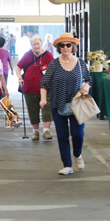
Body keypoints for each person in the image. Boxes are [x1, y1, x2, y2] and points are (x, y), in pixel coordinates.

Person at [40, 33, 91, 175]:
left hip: (77, 104)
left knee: (78, 134)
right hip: (58, 103)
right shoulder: (54, 64)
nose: (65, 48)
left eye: (68, 45)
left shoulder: (81, 63)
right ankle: (67, 165)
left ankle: (77, 153)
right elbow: (44, 83)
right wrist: (43, 98)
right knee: (62, 135)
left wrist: (86, 86)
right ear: (58, 48)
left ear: (73, 47)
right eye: (62, 45)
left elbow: (88, 79)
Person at [16, 35, 54, 140]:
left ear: (41, 44)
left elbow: (53, 70)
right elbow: (18, 67)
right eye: (34, 44)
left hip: (46, 89)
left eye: (38, 44)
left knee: (47, 109)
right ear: (31, 46)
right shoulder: (27, 55)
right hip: (29, 88)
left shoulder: (48, 55)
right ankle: (35, 131)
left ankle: (46, 131)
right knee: (33, 111)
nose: (36, 46)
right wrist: (20, 78)